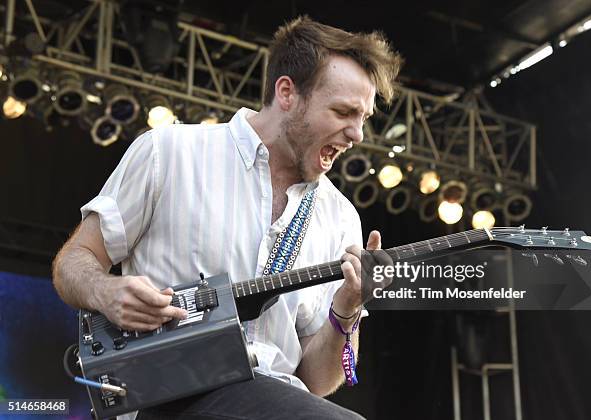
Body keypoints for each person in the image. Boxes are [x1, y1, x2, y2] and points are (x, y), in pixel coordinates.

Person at [53, 16, 402, 420]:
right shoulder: (168, 152)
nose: (357, 134)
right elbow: (73, 262)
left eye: (364, 118)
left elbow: (317, 382)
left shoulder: (340, 217)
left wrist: (348, 308)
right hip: (164, 394)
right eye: (343, 111)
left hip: (268, 399)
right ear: (287, 92)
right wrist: (106, 293)